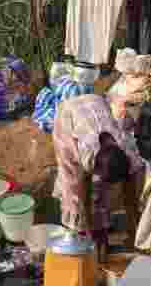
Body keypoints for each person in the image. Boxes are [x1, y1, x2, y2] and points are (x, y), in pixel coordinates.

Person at [51, 94, 146, 258]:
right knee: (72, 186)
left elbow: (132, 198)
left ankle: (102, 232)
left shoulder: (127, 151)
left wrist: (135, 232)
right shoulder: (85, 154)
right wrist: (88, 232)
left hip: (95, 102)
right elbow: (83, 192)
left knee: (101, 195)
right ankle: (78, 234)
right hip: (68, 114)